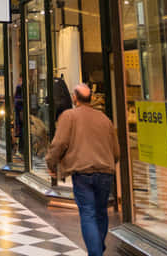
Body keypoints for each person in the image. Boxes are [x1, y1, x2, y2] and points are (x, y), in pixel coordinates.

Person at [45, 83, 119, 256]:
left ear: (74, 98)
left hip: (83, 173)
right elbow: (116, 151)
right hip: (105, 172)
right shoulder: (105, 119)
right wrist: (108, 163)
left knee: (88, 213)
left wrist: (51, 163)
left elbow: (59, 143)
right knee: (101, 212)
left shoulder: (68, 116)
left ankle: (95, 253)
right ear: (91, 98)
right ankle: (98, 248)